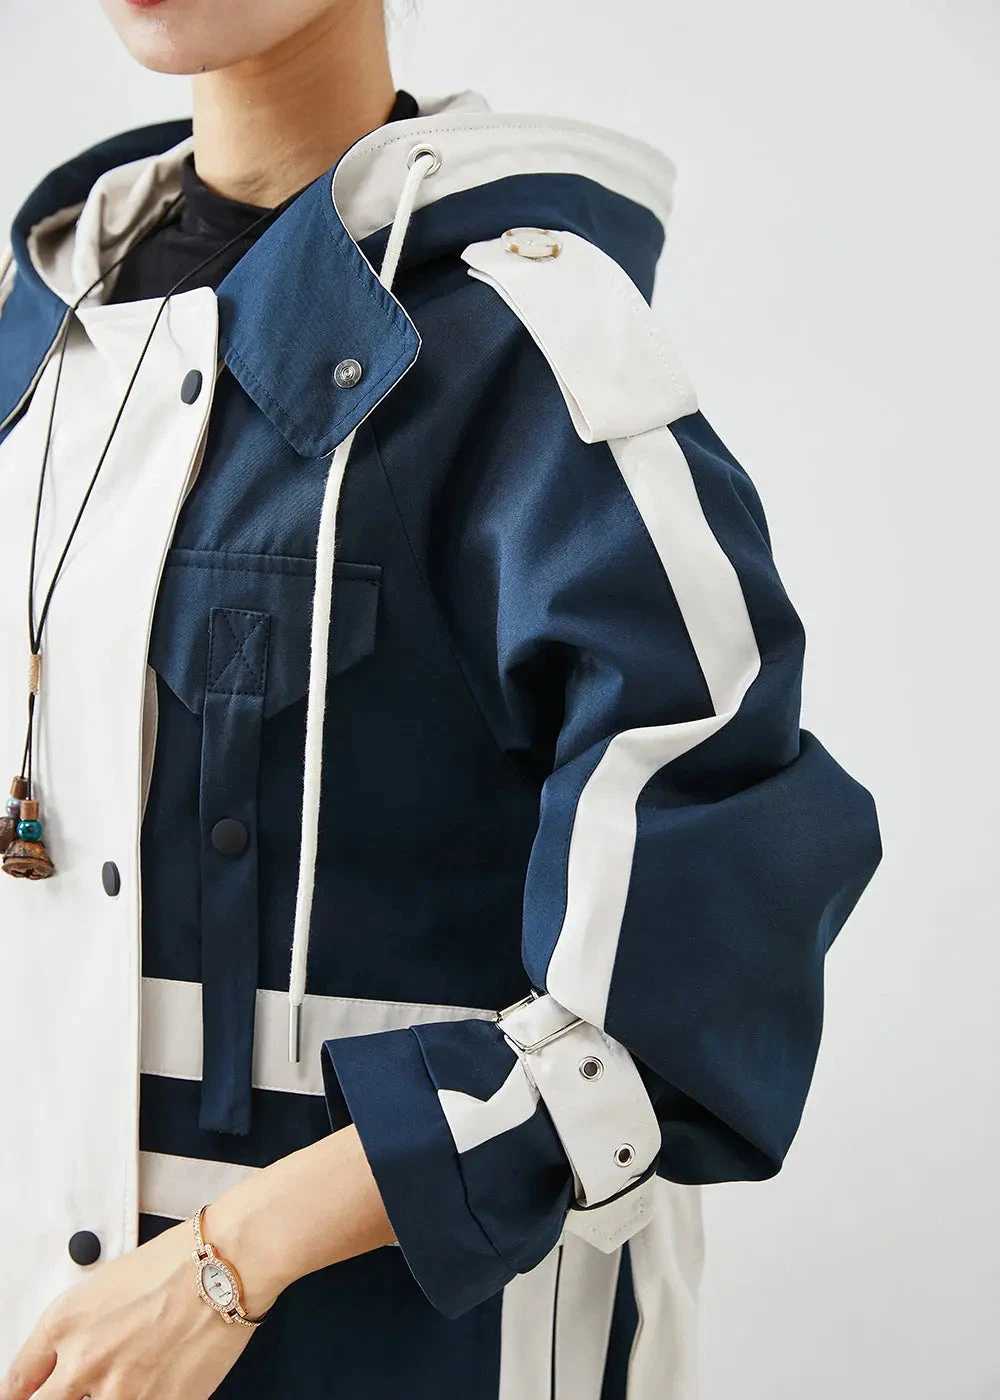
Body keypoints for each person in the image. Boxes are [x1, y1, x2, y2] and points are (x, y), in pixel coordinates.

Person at [0, 1, 883, 1397]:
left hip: (398, 1346)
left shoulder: (521, 344)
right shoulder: (42, 343)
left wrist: (231, 1261)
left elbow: (702, 969)